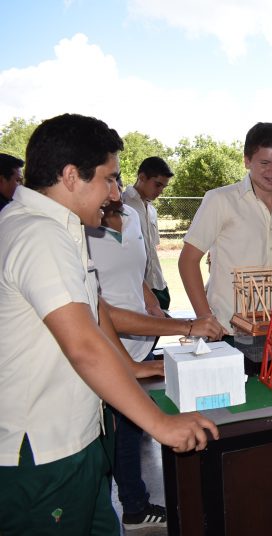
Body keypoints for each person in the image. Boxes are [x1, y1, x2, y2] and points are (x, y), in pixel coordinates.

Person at [0, 113, 218, 535]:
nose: (116, 192)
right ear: (70, 176)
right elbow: (82, 342)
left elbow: (97, 312)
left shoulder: (61, 229)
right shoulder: (39, 234)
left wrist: (133, 367)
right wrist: (161, 425)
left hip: (74, 442)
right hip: (44, 451)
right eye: (109, 178)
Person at [86, 178, 224, 530]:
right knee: (116, 430)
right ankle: (132, 504)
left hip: (138, 341)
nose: (116, 192)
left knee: (127, 430)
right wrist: (187, 327)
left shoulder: (131, 217)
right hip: (100, 346)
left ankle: (132, 504)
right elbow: (99, 316)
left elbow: (135, 276)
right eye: (108, 179)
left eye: (117, 181)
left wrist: (153, 307)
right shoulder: (74, 227)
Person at [179, 122, 272, 343]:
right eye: (264, 163)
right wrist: (205, 317)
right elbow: (188, 261)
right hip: (228, 331)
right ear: (247, 161)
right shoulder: (220, 200)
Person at [122, 156, 174, 313]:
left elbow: (152, 250)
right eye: (157, 185)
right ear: (142, 177)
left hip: (158, 284)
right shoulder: (123, 204)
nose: (160, 191)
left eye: (163, 187)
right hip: (136, 287)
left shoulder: (152, 210)